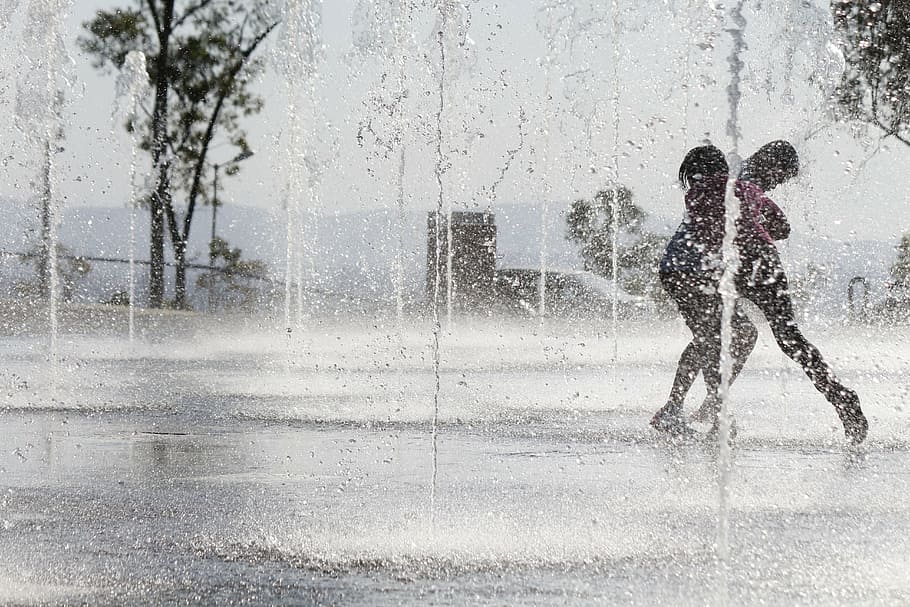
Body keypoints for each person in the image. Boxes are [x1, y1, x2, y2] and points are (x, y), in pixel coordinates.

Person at [652, 141, 869, 444]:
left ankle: (712, 411)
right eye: (781, 176)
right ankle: (841, 398)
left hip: (724, 264)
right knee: (788, 339)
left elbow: (708, 225)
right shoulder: (745, 185)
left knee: (712, 336)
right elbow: (782, 228)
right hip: (761, 259)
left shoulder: (701, 191)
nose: (780, 183)